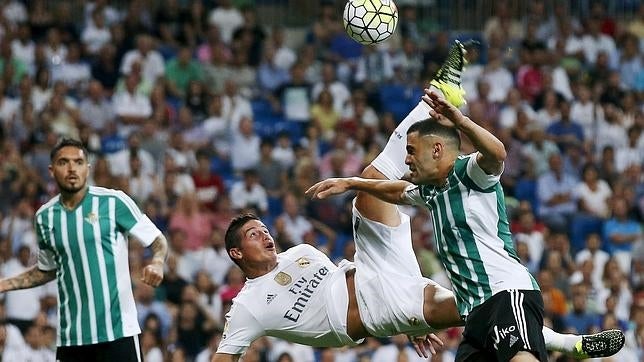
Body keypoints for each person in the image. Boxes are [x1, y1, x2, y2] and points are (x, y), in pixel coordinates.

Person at [211, 42, 624, 362]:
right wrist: (408, 323)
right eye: (252, 234)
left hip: (375, 270)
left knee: (370, 188)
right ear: (235, 252)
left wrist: (351, 181)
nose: (264, 233)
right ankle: (568, 344)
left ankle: (438, 96)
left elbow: (491, 157)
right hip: (382, 309)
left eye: (261, 227)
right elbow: (225, 355)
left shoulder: (298, 252)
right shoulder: (247, 306)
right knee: (477, 308)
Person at [306, 87, 624, 361]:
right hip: (475, 312)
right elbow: (397, 191)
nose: (406, 160)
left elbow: (497, 153)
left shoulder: (469, 172)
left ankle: (568, 345)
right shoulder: (430, 190)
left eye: (412, 152)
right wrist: (351, 182)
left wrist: (460, 120)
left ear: (437, 150)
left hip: (504, 292)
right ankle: (569, 345)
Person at [0, 138, 169, 362]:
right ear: (52, 170)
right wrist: (3, 284)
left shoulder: (113, 201)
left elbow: (157, 239)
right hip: (72, 339)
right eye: (63, 162)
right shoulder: (45, 217)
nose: (72, 168)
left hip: (118, 333)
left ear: (87, 168)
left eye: (78, 162)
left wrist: (157, 261)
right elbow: (46, 269)